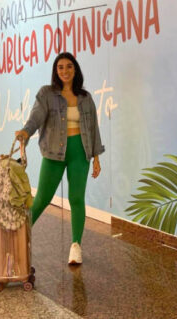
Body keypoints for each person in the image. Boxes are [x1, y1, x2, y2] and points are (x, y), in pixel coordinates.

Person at [15, 52, 104, 265]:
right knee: (42, 199)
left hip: (80, 153)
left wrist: (96, 157)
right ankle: (18, 239)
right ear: (56, 71)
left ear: (75, 70)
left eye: (69, 67)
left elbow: (93, 128)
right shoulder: (47, 94)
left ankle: (76, 247)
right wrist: (26, 132)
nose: (65, 71)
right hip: (53, 153)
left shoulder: (85, 97)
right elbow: (36, 117)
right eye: (61, 67)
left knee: (76, 199)